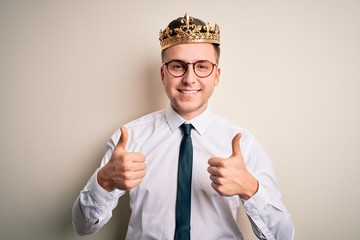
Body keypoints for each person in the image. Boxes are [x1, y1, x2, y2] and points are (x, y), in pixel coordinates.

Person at [72, 13, 294, 239]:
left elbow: (283, 236)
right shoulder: (129, 138)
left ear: (216, 75)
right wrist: (104, 181)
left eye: (202, 66)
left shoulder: (243, 143)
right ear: (162, 73)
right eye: (178, 66)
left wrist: (251, 189)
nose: (189, 78)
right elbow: (82, 225)